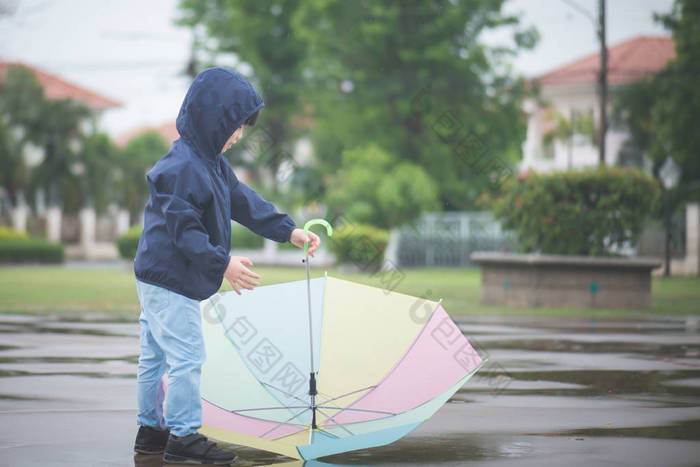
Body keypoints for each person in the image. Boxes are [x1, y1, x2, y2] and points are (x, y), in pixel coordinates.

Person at [132, 67, 320, 465]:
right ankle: (182, 437)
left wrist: (289, 232)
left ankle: (151, 432)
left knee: (155, 356)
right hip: (169, 279)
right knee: (186, 357)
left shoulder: (211, 163)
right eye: (235, 126)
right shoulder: (180, 168)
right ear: (212, 119)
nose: (238, 136)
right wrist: (224, 265)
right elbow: (186, 234)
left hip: (160, 274)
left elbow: (244, 201)